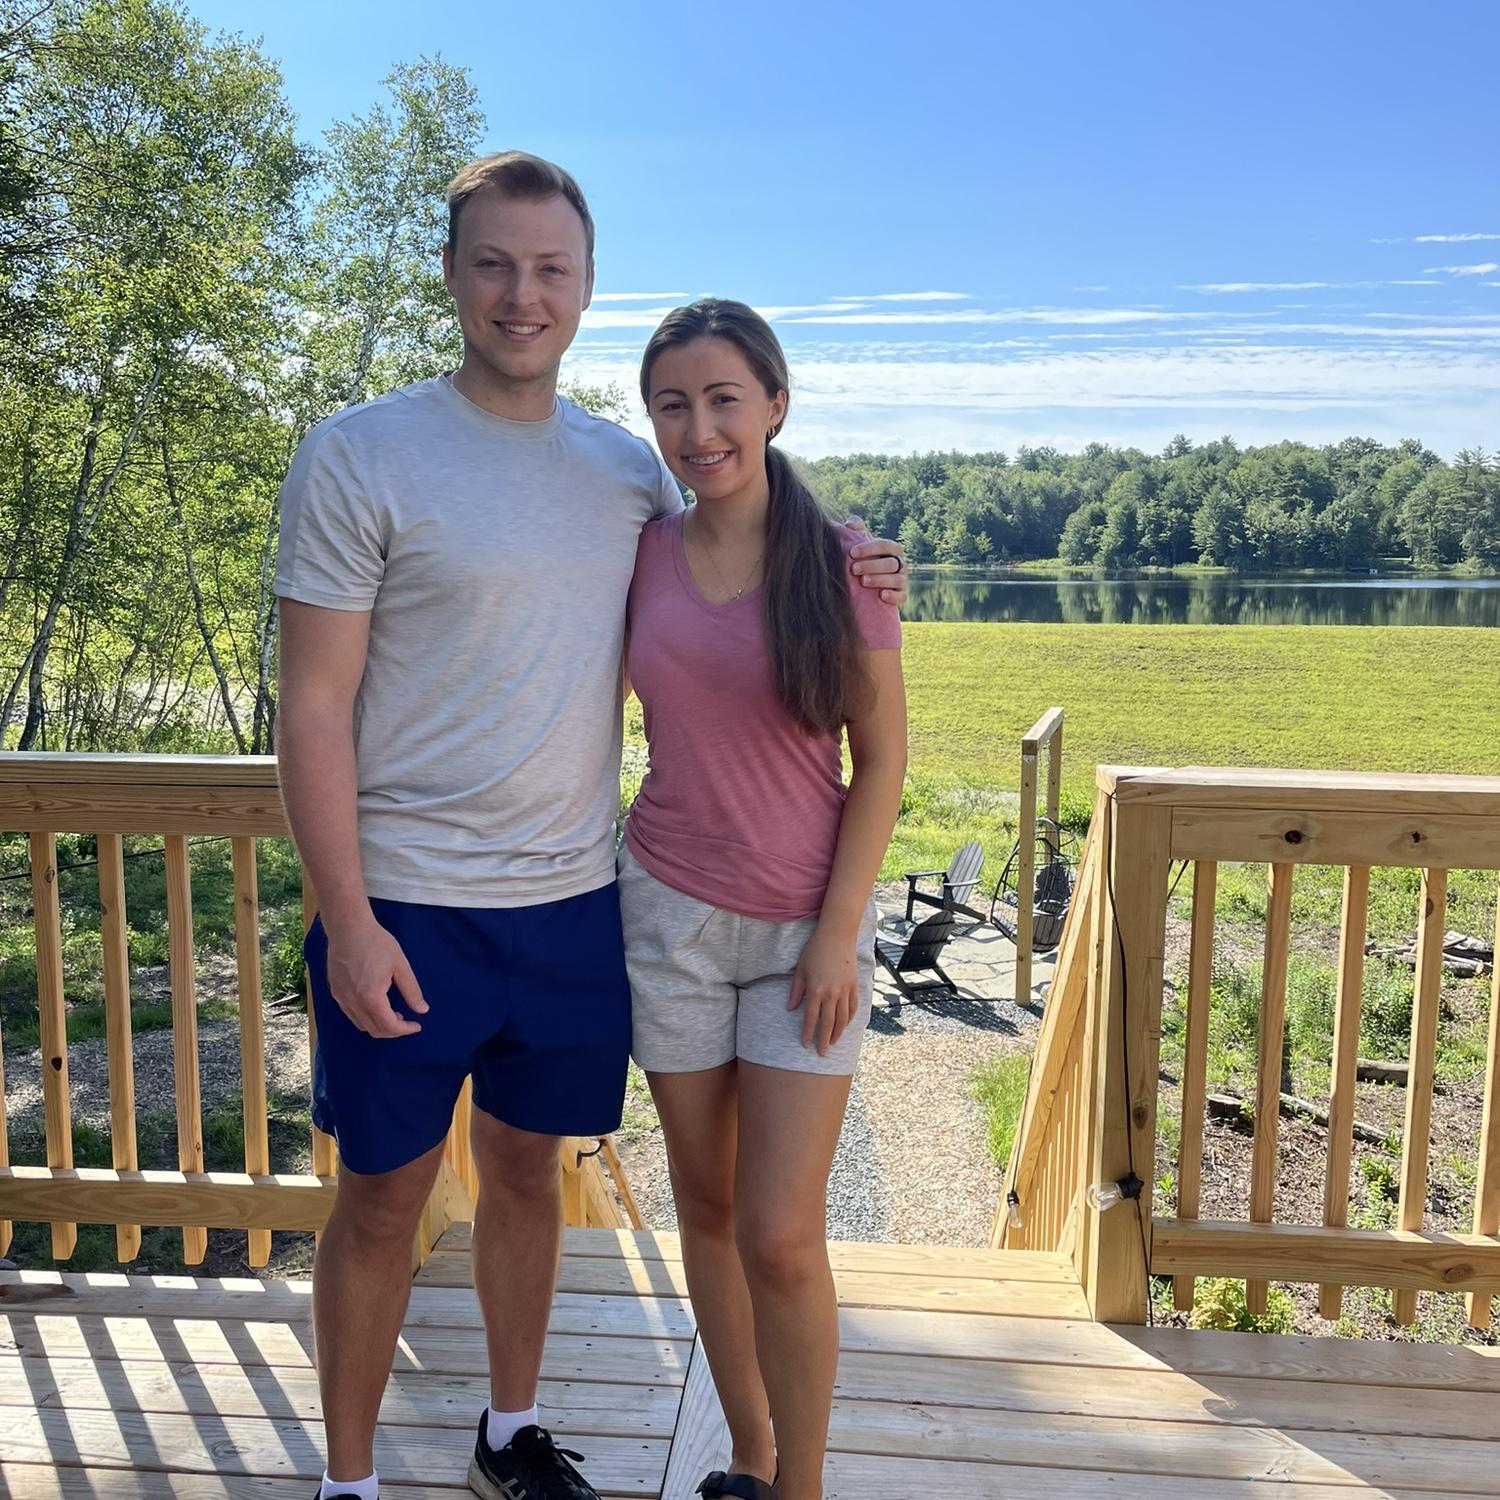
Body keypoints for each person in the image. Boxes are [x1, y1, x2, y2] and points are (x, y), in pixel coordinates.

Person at [273, 153, 907, 1500]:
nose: (523, 294)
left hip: (572, 908)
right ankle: (348, 1482)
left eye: (551, 268)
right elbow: (313, 705)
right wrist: (348, 920)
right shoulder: (360, 454)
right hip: (410, 903)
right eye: (495, 264)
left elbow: (746, 551)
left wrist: (865, 562)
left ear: (585, 286)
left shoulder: (626, 476)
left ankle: (510, 1433)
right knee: (381, 1197)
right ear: (452, 274)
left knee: (526, 1172)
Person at [618, 300, 907, 1500]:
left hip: (804, 937)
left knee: (782, 1235)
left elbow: (882, 761)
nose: (700, 429)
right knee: (708, 1206)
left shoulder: (844, 567)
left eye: (724, 399)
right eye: (673, 405)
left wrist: (839, 936)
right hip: (666, 918)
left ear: (776, 404)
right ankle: (747, 1453)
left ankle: (805, 1486)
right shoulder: (639, 550)